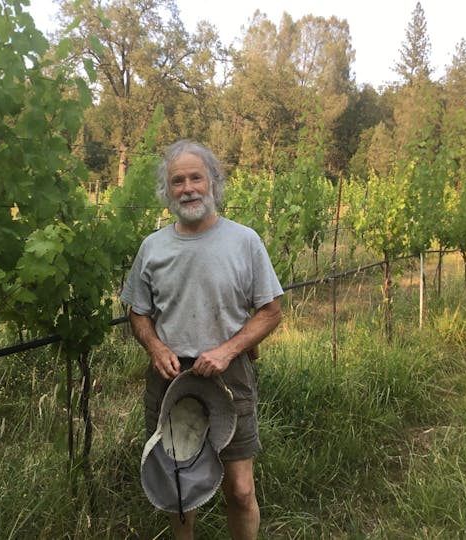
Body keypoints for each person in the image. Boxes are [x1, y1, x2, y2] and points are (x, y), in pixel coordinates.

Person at [120, 140, 283, 540]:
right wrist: (156, 348)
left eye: (196, 177)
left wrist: (227, 351)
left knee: (241, 490)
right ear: (167, 190)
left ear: (213, 182)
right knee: (179, 490)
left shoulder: (245, 241)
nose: (188, 187)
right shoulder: (153, 247)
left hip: (230, 377)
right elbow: (137, 311)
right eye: (178, 180)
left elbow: (271, 311)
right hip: (170, 377)